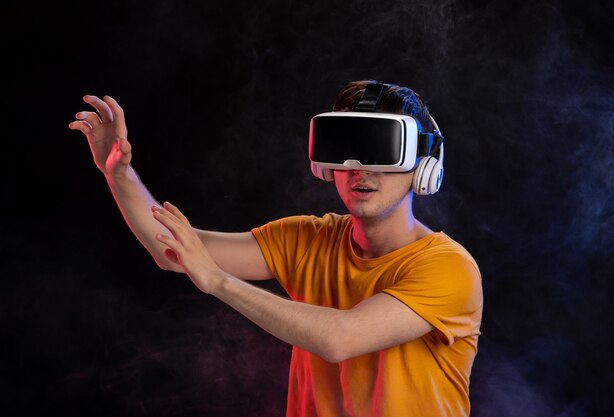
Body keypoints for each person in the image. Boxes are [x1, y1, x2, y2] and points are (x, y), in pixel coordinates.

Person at [69, 80, 483, 417]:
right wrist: (118, 175)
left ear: (425, 165)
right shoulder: (307, 238)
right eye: (345, 148)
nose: (360, 169)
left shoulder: (448, 269)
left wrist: (219, 282)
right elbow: (173, 251)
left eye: (382, 149)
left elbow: (339, 338)